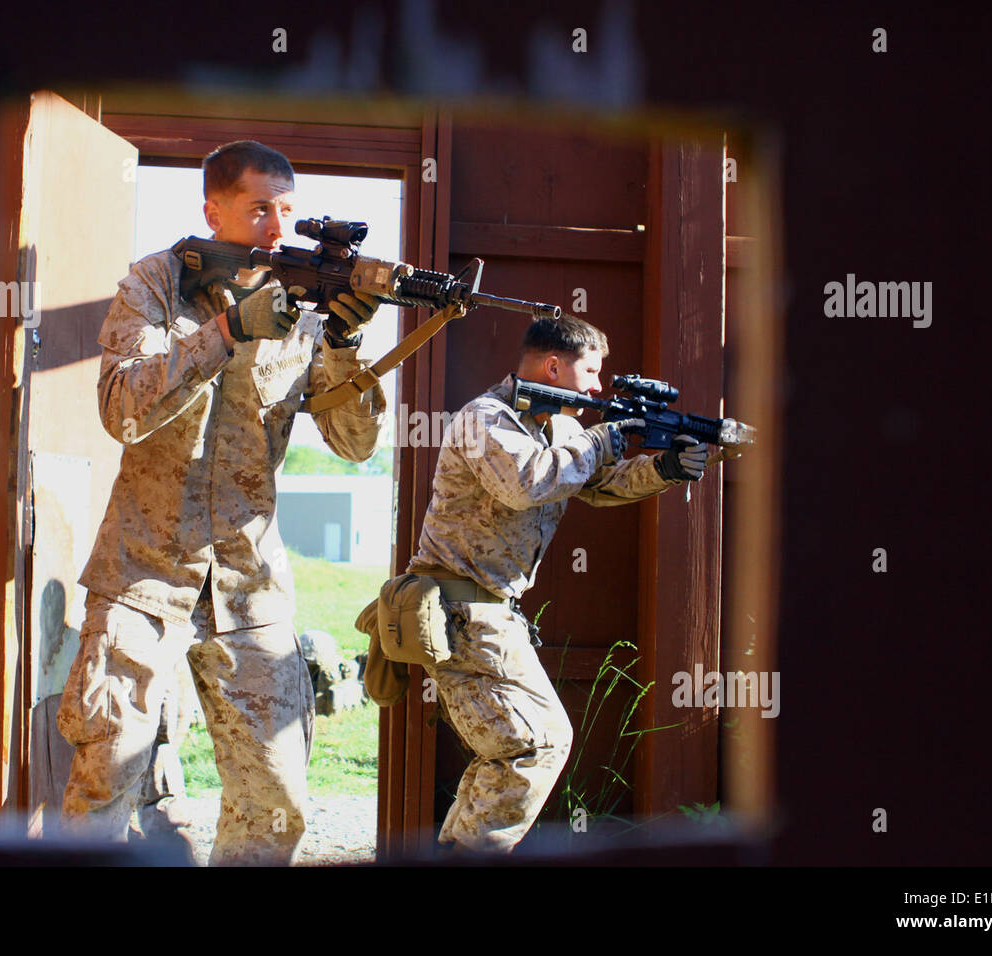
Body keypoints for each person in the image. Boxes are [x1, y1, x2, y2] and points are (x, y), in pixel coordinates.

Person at [56, 140, 387, 865]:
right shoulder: (155, 283)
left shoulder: (308, 309)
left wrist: (346, 341)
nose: (277, 227)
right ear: (213, 209)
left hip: (250, 587)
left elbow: (355, 442)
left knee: (276, 803)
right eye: (259, 208)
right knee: (104, 784)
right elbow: (122, 409)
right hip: (142, 574)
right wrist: (229, 329)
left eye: (289, 211)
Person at [405, 315, 707, 855]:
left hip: (491, 616)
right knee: (532, 746)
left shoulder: (557, 429)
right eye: (590, 372)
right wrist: (605, 436)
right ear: (552, 366)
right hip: (460, 610)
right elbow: (528, 483)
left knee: (512, 750)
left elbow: (598, 483)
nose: (597, 387)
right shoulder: (486, 418)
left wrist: (666, 466)